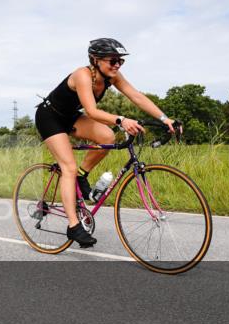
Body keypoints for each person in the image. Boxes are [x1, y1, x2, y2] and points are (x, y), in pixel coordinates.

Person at [34, 38, 178, 247]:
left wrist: (165, 119)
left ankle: (83, 175)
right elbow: (92, 111)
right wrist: (121, 120)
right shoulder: (82, 75)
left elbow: (136, 96)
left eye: (120, 61)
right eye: (113, 61)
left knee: (107, 137)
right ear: (95, 59)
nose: (117, 65)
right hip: (49, 117)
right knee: (68, 167)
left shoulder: (112, 76)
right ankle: (73, 226)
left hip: (71, 117)